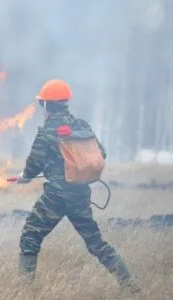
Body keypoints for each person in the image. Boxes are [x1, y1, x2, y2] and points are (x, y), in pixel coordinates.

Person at [16, 79, 141, 293]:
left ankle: (24, 291)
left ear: (46, 105)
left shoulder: (47, 131)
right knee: (96, 243)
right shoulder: (82, 126)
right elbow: (101, 153)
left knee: (30, 236)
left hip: (55, 197)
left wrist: (25, 176)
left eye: (42, 104)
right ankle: (129, 285)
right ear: (65, 103)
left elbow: (34, 162)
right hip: (80, 195)